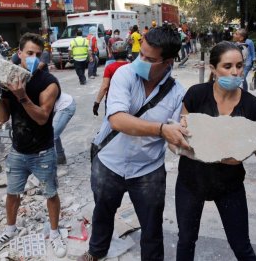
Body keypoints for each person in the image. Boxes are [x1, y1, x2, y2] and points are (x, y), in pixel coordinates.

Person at [78, 26, 191, 261]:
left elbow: (181, 132)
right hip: (109, 162)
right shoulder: (124, 75)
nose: (140, 61)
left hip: (148, 170)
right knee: (102, 212)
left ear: (168, 62)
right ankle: (95, 252)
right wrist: (161, 130)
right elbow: (117, 119)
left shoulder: (178, 93)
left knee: (152, 226)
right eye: (140, 54)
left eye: (149, 59)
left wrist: (182, 142)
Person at [170, 41, 256, 261]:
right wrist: (180, 145)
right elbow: (180, 134)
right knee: (185, 240)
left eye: (239, 65)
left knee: (241, 245)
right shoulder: (197, 94)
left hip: (229, 185)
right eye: (227, 66)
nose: (235, 71)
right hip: (191, 182)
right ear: (213, 69)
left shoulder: (252, 106)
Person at [0, 33, 67, 257]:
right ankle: (10, 229)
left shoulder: (48, 83)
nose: (34, 58)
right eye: (29, 53)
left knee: (50, 193)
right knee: (12, 193)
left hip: (43, 151)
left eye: (38, 55)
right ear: (19, 54)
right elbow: (2, 117)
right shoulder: (10, 79)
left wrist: (22, 96)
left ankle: (55, 232)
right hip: (18, 151)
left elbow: (41, 117)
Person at [93, 41, 129, 116]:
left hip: (112, 100)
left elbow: (105, 86)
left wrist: (97, 103)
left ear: (113, 53)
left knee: (110, 124)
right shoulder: (132, 66)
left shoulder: (110, 68)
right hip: (129, 99)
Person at [53, 92, 76, 165]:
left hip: (65, 106)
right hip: (52, 106)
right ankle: (60, 157)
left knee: (51, 135)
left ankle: (49, 166)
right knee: (52, 133)